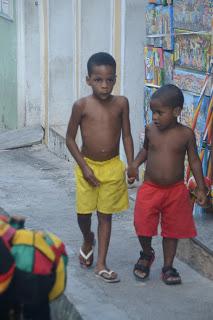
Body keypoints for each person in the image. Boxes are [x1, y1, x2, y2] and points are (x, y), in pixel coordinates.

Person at [127, 84, 208, 285]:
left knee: (172, 231)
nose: (155, 117)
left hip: (175, 191)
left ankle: (168, 266)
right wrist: (135, 165)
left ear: (176, 112)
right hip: (151, 189)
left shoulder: (186, 134)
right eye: (153, 112)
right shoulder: (150, 131)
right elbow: (145, 151)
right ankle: (146, 253)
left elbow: (195, 161)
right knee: (143, 225)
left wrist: (200, 187)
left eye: (159, 113)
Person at [66, 52, 134, 283]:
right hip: (88, 167)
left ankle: (102, 264)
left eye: (110, 79)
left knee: (106, 216)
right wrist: (84, 168)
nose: (104, 85)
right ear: (88, 80)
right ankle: (87, 238)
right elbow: (70, 139)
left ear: (115, 79)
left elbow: (126, 136)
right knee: (83, 213)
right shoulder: (81, 106)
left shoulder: (121, 103)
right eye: (98, 80)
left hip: (112, 167)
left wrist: (132, 163)